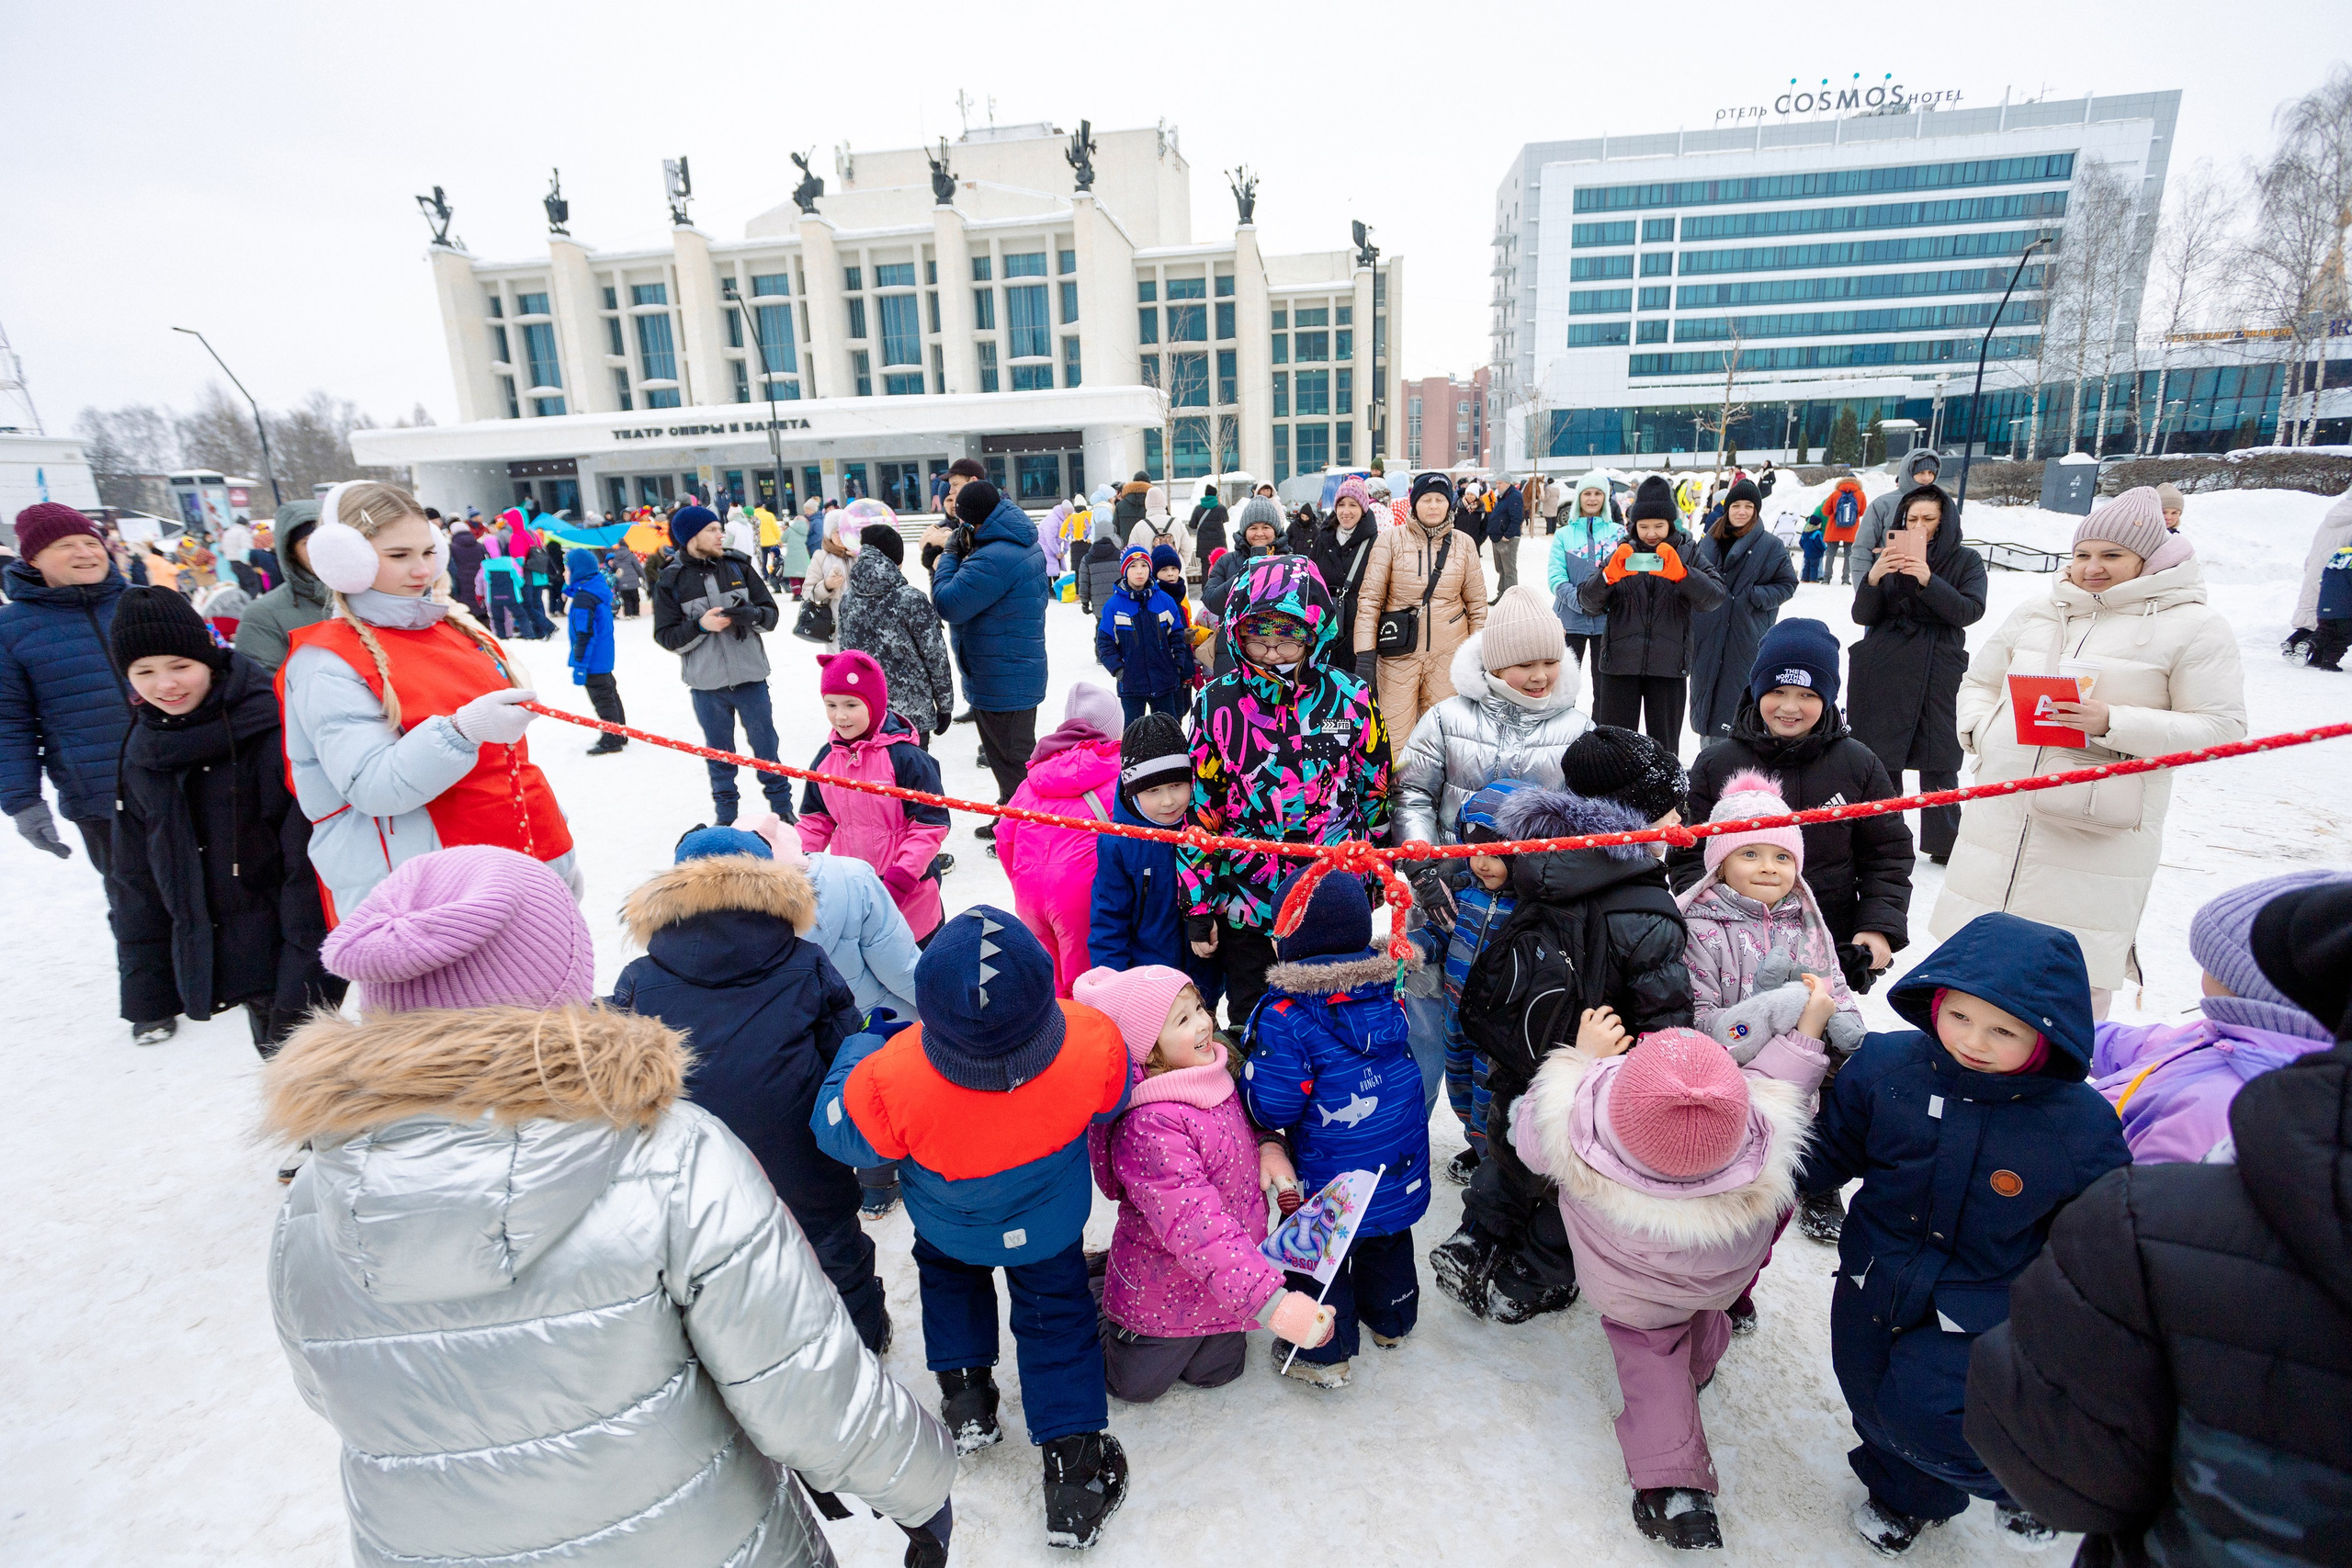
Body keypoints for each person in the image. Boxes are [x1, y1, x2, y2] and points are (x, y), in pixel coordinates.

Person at [267, 845, 956, 1568]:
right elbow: (795, 1380)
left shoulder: (316, 1200)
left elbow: (329, 1384)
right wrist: (916, 1484)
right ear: (556, 979)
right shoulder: (667, 1154)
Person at [1962, 877, 2352, 1568]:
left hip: (2071, 1244)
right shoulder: (2211, 1036)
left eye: (2215, 963)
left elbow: (2142, 1228)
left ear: (2251, 990)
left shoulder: (2218, 1106)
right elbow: (2121, 1044)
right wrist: (2035, 1029)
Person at [1797, 912, 2129, 1555]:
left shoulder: (2077, 1126)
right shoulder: (1889, 1067)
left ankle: (2028, 1482)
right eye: (1959, 1016)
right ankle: (1905, 1495)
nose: (1974, 1040)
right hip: (1876, 1275)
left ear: (2046, 1033)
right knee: (1868, 1393)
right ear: (1936, 1002)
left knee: (1925, 1410)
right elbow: (1828, 1152)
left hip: (1982, 1302)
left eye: (2004, 1029)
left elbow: (2098, 1235)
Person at [815, 909, 1134, 1550]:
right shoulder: (1090, 1035)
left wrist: (861, 1046)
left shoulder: (894, 1071)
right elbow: (1115, 1095)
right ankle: (1073, 1473)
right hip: (1047, 1227)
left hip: (950, 1227)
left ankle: (966, 1401)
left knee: (950, 1284)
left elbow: (836, 1130)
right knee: (1057, 1316)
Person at [1932, 488, 2246, 1017]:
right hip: (1998, 821)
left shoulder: (2193, 627)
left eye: (2111, 556)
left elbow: (2222, 729)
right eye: (2082, 555)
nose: (2092, 568)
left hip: (2094, 833)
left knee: (2064, 982)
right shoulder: (2041, 610)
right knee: (1972, 971)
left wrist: (2114, 723)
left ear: (2150, 557)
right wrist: (1983, 731)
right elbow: (1979, 681)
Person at [1513, 1022, 1826, 1551]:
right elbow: (1781, 1085)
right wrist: (1806, 1032)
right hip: (1720, 1272)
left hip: (1632, 1287)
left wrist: (1577, 1060)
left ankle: (1675, 1489)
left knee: (1652, 1353)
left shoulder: (1581, 1119)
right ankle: (1699, 1367)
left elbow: (1529, 1135)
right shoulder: (1756, 1124)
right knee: (1705, 1312)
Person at [1669, 622, 1913, 1227]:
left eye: (1808, 694)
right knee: (1739, 1050)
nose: (1791, 706)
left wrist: (1875, 933)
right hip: (1729, 941)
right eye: (1779, 691)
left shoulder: (1858, 765)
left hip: (1822, 941)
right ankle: (1717, 1150)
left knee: (1826, 1057)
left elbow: (1888, 852)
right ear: (1755, 691)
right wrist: (1692, 918)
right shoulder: (1717, 762)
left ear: (1829, 698)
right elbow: (1683, 852)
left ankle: (1816, 1171)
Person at [611, 829, 889, 1352]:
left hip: (696, 1170)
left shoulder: (641, 978)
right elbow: (845, 1054)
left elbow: (626, 1081)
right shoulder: (804, 961)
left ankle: (755, 1360)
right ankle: (863, 1346)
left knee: (722, 1269)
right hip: (802, 1153)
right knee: (834, 1252)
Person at [1434, 782, 1693, 1327]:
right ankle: (1536, 1273)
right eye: (1671, 809)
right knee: (1577, 1179)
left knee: (1512, 1150)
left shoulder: (1543, 872)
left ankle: (1476, 1237)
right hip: (1602, 1071)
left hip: (1524, 1053)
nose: (1682, 821)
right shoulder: (1645, 906)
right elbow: (1664, 1021)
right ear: (1637, 818)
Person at [278, 481, 575, 920]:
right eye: (399, 556)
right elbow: (373, 785)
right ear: (346, 559)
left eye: (428, 552)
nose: (422, 570)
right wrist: (461, 731)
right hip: (430, 898)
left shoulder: (456, 630)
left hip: (515, 869)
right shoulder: (326, 662)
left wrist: (554, 857)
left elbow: (505, 764)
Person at [1074, 964, 1332, 1402]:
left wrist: (1268, 1145)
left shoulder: (1213, 1070)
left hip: (1224, 1291)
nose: (1203, 1022)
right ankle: (1096, 1290)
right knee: (1133, 1386)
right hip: (1160, 1290)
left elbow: (1246, 1123)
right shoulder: (1150, 1126)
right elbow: (1198, 1227)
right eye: (1182, 1019)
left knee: (1218, 1373)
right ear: (1147, 1048)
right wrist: (1273, 1304)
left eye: (1199, 1007)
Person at [107, 585, 341, 1057]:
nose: (165, 685)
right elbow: (135, 879)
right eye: (143, 672)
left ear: (209, 661)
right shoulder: (142, 751)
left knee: (320, 1066)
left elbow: (309, 869)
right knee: (283, 1067)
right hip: (237, 954)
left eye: (180, 666)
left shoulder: (271, 732)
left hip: (299, 950)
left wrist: (303, 983)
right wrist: (147, 988)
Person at [1241, 869, 1431, 1389]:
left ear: (1287, 940)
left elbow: (1276, 1103)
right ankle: (1392, 1320)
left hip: (1332, 1177)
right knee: (1387, 1237)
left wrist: (1249, 1085)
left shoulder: (1287, 1015)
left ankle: (1326, 1353)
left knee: (1322, 1254)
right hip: (1395, 1161)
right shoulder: (1385, 990)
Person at [1182, 555, 1389, 1027]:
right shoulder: (1218, 703)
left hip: (1331, 889)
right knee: (1257, 1017)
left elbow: (1375, 791)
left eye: (1287, 638)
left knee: (1337, 1018)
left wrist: (1375, 868)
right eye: (1259, 639)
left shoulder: (1351, 698)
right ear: (1237, 633)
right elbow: (1203, 810)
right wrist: (1198, 903)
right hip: (1248, 895)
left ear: (1313, 633)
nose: (1272, 652)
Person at [2086, 869, 2345, 1164]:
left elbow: (2145, 1195)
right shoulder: (2225, 1034)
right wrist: (2059, 1033)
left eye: (2210, 963)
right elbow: (2141, 1047)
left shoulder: (2219, 1104)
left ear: (2251, 983)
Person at [1846, 482, 1985, 863]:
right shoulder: (1888, 557)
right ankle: (1884, 838)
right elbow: (1863, 616)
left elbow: (1970, 611)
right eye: (1912, 519)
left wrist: (1928, 579)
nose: (1918, 526)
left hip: (1937, 667)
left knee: (1939, 756)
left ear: (1944, 522)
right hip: (1884, 665)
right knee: (1883, 756)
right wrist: (1874, 578)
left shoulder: (1966, 560)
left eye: (1928, 519)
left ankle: (1944, 842)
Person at [1394, 585, 1591, 851]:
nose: (1540, 676)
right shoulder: (1446, 720)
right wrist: (1426, 867)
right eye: (1525, 665)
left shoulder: (1578, 730)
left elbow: (1590, 814)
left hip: (1542, 884)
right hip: (1454, 879)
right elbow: (1412, 795)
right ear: (1496, 665)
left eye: (1550, 662)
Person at [1, 504, 131, 876]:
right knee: (140, 912)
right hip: (102, 797)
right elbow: (8, 723)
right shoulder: (10, 630)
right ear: (33, 559)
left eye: (90, 541)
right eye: (64, 545)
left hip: (189, 779)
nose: (84, 552)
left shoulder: (147, 602)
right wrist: (23, 801)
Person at [652, 502, 797, 827]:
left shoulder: (738, 567)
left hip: (751, 677)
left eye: (720, 528)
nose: (721, 534)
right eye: (712, 530)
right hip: (707, 685)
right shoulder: (671, 580)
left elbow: (771, 616)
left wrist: (752, 615)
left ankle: (783, 810)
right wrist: (700, 626)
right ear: (691, 537)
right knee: (719, 755)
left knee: (766, 748)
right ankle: (726, 815)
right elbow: (665, 636)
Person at [797, 651, 949, 942]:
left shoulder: (907, 759)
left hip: (909, 891)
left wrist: (902, 877)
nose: (839, 716)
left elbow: (931, 825)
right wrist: (794, 862)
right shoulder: (827, 760)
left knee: (918, 968)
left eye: (851, 705)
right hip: (854, 887)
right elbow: (816, 821)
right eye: (831, 705)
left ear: (874, 702)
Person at [925, 479, 1049, 826]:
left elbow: (949, 603)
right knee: (1012, 756)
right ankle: (1011, 811)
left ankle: (1025, 826)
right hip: (1013, 667)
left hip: (1003, 675)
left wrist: (948, 557)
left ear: (973, 520)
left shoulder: (995, 557)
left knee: (1011, 759)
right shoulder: (1016, 539)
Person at [1577, 475, 1725, 754]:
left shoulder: (1688, 551)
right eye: (1643, 526)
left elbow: (1715, 597)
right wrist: (1608, 576)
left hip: (1668, 667)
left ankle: (1665, 796)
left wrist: (1683, 575)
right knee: (1616, 748)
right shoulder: (1622, 552)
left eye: (1659, 525)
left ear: (1670, 523)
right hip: (1620, 664)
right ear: (1633, 525)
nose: (1651, 533)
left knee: (1665, 749)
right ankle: (1613, 796)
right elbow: (1588, 601)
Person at [998, 683, 1124, 994]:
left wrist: (1021, 879)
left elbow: (1004, 835)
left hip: (1030, 893)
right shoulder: (1114, 773)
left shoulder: (1036, 776)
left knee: (1050, 978)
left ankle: (1055, 1032)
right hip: (1081, 894)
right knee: (1087, 983)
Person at [1089, 713, 1217, 1006]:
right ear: (1132, 791)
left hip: (1203, 977)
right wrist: (1113, 985)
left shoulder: (1205, 828)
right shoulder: (1119, 841)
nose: (1168, 801)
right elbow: (1109, 920)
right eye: (1153, 790)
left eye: (1176, 785)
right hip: (1147, 984)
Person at [1354, 472, 1489, 751]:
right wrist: (1365, 655)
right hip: (1397, 658)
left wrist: (1479, 655)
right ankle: (1396, 793)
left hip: (1449, 657)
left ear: (1449, 504)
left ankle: (1439, 795)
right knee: (1394, 737)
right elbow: (1369, 600)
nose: (1433, 506)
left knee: (1446, 738)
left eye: (1439, 500)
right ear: (1414, 503)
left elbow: (1477, 605)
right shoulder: (1390, 541)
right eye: (1426, 499)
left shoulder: (1464, 544)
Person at [1687, 477, 1799, 742]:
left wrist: (1752, 597)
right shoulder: (1709, 541)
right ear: (1727, 508)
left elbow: (1788, 584)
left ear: (1756, 510)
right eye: (1736, 505)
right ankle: (1709, 759)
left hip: (1745, 635)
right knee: (1706, 698)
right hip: (1708, 633)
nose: (1741, 511)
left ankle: (1734, 759)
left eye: (1748, 506)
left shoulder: (1770, 546)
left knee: (1736, 700)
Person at [838, 523, 956, 747]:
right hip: (911, 718)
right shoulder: (911, 600)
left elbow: (846, 656)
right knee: (913, 779)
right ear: (895, 560)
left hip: (867, 714)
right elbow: (935, 657)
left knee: (876, 779)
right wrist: (945, 706)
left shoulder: (848, 599)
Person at [1094, 545, 1196, 723]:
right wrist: (1119, 670)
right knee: (1134, 735)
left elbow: (1177, 636)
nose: (1139, 571)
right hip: (1132, 684)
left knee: (1169, 731)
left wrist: (1176, 665)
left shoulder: (1165, 601)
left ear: (1150, 568)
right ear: (1125, 570)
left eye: (1144, 565)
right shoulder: (1113, 606)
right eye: (1133, 566)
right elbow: (1105, 643)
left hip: (1164, 682)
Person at [234, 501, 334, 673]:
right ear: (291, 552)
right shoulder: (264, 616)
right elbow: (263, 689)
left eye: (331, 538)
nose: (324, 549)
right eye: (309, 542)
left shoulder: (380, 591)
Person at [1200, 499, 1281, 679]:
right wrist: (1246, 574)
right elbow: (1212, 601)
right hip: (1232, 653)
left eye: (1266, 526)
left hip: (1280, 653)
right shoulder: (1226, 562)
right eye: (1253, 528)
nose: (1260, 533)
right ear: (1245, 531)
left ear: (1276, 530)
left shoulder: (1292, 562)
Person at [1308, 479, 1381, 678]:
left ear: (1363, 508)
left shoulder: (1375, 542)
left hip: (1361, 628)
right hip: (1326, 624)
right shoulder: (1323, 539)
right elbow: (1311, 579)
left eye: (1353, 505)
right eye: (1341, 504)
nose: (1346, 511)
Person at [1547, 472, 1621, 668]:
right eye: (1587, 493)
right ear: (1579, 497)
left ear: (1605, 497)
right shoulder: (1564, 534)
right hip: (1570, 621)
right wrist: (1582, 603)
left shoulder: (1619, 534)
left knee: (1604, 688)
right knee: (1565, 687)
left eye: (1598, 493)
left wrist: (1603, 604)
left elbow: (1625, 577)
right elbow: (1556, 577)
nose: (1592, 498)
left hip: (1607, 622)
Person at [562, 547, 627, 757]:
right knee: (610, 693)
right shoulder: (595, 588)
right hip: (603, 655)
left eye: (567, 569)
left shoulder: (584, 598)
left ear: (578, 570)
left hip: (592, 658)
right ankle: (621, 731)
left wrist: (580, 664)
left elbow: (584, 634)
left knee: (603, 698)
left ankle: (612, 738)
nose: (564, 573)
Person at [2286, 484, 2352, 661]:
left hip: (2317, 570)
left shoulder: (2333, 516)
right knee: (2335, 621)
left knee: (2316, 617)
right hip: (2340, 576)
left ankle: (2294, 644)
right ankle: (2320, 656)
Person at [1852, 446, 1943, 567]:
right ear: (1908, 473)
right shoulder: (1883, 504)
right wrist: (1864, 583)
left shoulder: (1943, 503)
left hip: (1930, 580)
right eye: (1921, 472)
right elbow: (1862, 548)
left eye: (1931, 473)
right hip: (1888, 578)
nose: (1926, 478)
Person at [475, 527, 534, 639]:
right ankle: (528, 635)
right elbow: (519, 578)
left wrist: (480, 594)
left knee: (497, 619)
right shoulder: (509, 561)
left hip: (494, 597)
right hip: (512, 596)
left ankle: (502, 637)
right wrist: (519, 584)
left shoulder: (485, 564)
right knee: (521, 615)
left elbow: (482, 580)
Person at [1813, 475, 1867, 586]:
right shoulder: (1860, 494)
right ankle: (1845, 579)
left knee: (1830, 554)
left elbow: (1825, 511)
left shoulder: (1835, 494)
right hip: (1851, 530)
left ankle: (1827, 578)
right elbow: (1862, 512)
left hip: (1834, 528)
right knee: (1849, 555)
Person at [1487, 474, 1524, 595]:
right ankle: (1502, 595)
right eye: (1496, 483)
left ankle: (1512, 597)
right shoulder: (1503, 496)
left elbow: (1517, 518)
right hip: (1498, 537)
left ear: (1508, 483)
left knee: (1509, 570)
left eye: (1500, 483)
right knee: (1501, 569)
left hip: (1507, 538)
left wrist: (1507, 535)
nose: (1497, 486)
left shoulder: (1514, 496)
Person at [1189, 482, 1228, 569]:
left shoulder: (1198, 508)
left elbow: (1192, 525)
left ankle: (1205, 582)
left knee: (1205, 569)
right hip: (1219, 544)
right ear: (1215, 495)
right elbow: (1226, 520)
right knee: (1221, 568)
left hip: (1204, 545)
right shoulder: (1221, 508)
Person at [606, 543, 644, 618]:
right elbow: (637, 567)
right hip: (633, 580)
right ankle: (635, 613)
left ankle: (628, 614)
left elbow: (614, 568)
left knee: (626, 598)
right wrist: (644, 577)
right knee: (635, 597)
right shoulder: (630, 555)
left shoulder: (616, 556)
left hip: (622, 580)